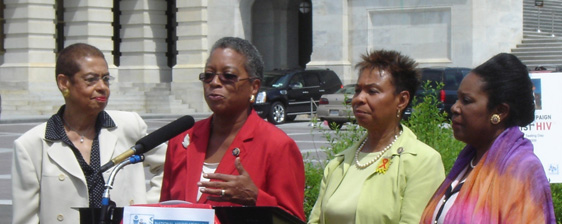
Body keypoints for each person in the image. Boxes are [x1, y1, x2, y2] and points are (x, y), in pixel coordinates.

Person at [11, 43, 166, 224]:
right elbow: (25, 219)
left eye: (106, 79)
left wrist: (144, 209)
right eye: (91, 79)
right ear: (64, 83)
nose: (102, 87)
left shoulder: (128, 125)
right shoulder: (32, 145)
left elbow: (170, 164)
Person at [159, 37, 306, 220]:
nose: (214, 83)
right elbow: (163, 210)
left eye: (228, 76)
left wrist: (255, 198)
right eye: (208, 75)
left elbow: (292, 219)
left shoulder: (277, 145)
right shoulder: (181, 140)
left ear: (254, 87)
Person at [308, 50, 445, 224]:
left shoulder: (422, 161)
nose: (359, 99)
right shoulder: (339, 163)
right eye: (358, 90)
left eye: (372, 91)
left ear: (402, 100)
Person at [420, 53, 556, 223]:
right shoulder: (466, 164)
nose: (455, 108)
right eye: (457, 99)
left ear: (500, 111)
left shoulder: (521, 170)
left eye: (467, 101)